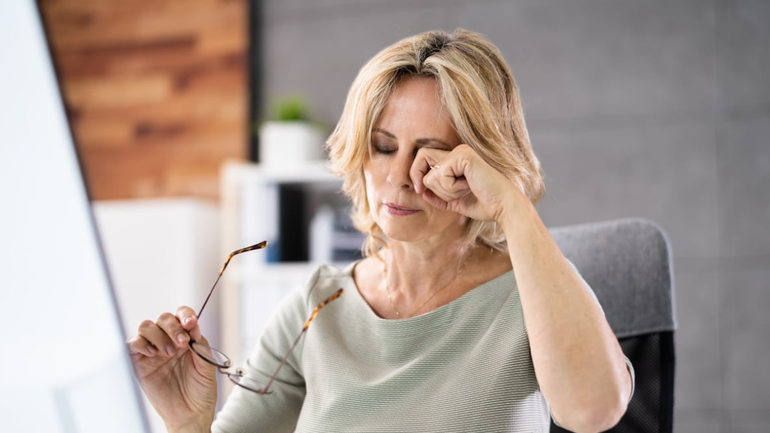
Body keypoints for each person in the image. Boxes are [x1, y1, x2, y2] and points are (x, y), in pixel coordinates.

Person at [128, 28, 634, 433]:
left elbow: (592, 411)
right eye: (383, 147)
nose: (398, 176)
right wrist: (187, 424)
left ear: (480, 165)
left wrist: (511, 206)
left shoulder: (534, 292)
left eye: (431, 154)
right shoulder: (317, 305)